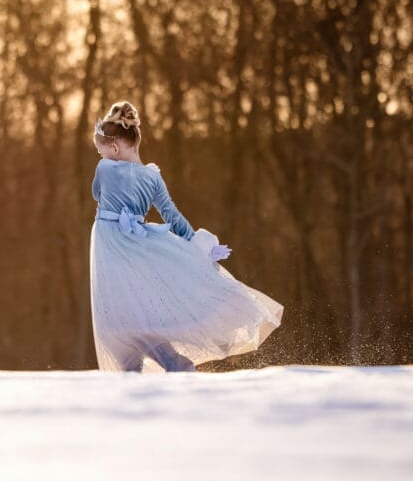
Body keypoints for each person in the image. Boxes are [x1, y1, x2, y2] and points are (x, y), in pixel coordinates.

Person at [89, 100, 283, 373]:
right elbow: (173, 216)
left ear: (116, 147)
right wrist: (197, 245)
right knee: (137, 312)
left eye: (102, 151)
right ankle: (162, 366)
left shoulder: (105, 170)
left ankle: (156, 367)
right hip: (140, 246)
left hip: (112, 245)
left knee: (120, 318)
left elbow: (97, 194)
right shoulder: (153, 178)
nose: (101, 156)